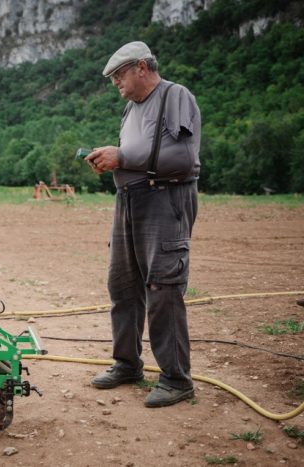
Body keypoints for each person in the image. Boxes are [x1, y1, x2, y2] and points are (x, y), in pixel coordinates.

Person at [84, 41, 201, 408]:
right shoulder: (129, 110)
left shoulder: (175, 96)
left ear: (140, 67)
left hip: (164, 201)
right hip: (129, 202)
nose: (115, 83)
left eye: (119, 75)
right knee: (123, 285)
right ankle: (127, 364)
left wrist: (122, 156)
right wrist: (112, 160)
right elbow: (136, 157)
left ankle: (176, 379)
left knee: (162, 287)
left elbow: (183, 158)